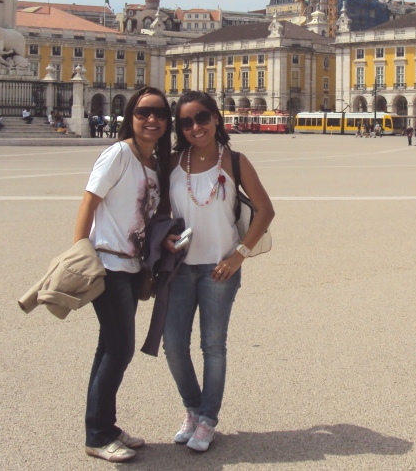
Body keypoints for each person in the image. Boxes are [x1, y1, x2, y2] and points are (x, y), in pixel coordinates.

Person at [163, 91, 275, 453]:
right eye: (186, 122)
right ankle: (193, 409)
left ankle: (208, 419)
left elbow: (265, 210)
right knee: (173, 345)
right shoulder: (172, 162)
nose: (196, 127)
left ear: (215, 118)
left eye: (202, 117)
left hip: (219, 268)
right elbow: (159, 213)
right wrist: (164, 239)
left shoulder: (235, 161)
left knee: (212, 346)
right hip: (179, 269)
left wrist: (239, 255)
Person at [75, 86, 173, 462]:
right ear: (131, 116)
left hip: (132, 267)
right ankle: (98, 435)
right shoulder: (119, 153)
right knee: (120, 349)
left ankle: (104, 427)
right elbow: (89, 202)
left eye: (159, 113)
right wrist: (80, 251)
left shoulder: (153, 164)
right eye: (143, 112)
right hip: (108, 264)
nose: (151, 119)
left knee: (109, 348)